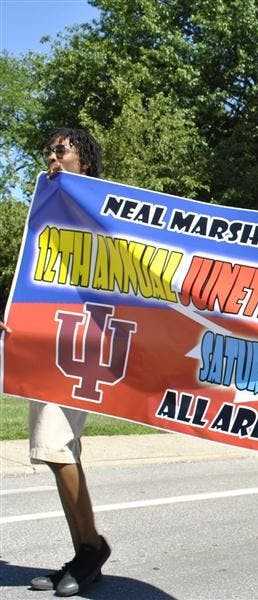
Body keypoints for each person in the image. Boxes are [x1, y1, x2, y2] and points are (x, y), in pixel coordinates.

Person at [21, 128, 111, 596]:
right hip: (47, 339)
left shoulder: (97, 208)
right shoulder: (45, 207)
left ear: (84, 161)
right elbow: (37, 277)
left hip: (83, 344)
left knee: (56, 446)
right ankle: (84, 550)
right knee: (58, 451)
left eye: (63, 149)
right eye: (50, 150)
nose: (53, 156)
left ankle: (92, 547)